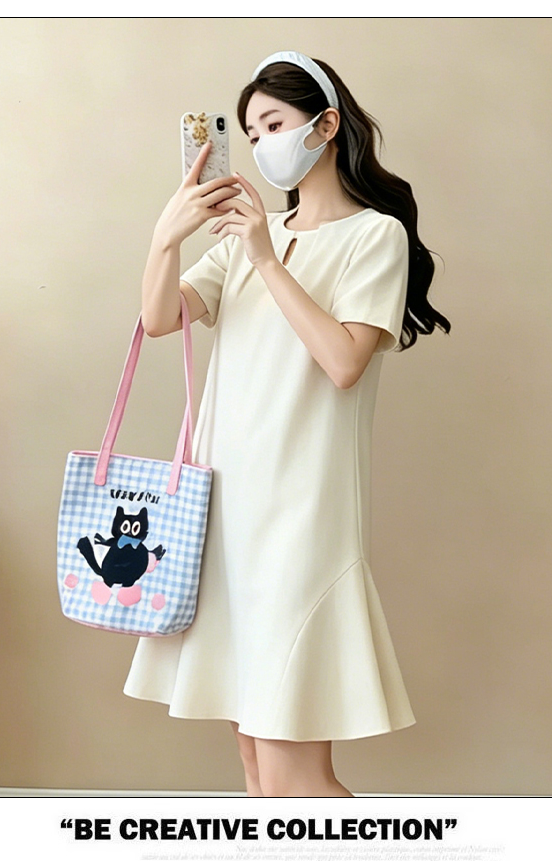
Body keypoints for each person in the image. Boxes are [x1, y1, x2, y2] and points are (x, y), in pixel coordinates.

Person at [123, 50, 451, 798]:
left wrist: (268, 259)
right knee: (256, 770)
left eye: (274, 124)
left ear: (325, 126)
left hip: (300, 517)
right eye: (250, 131)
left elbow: (344, 362)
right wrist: (166, 237)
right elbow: (161, 317)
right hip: (223, 510)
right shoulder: (249, 235)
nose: (261, 142)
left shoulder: (373, 236)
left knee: (293, 775)